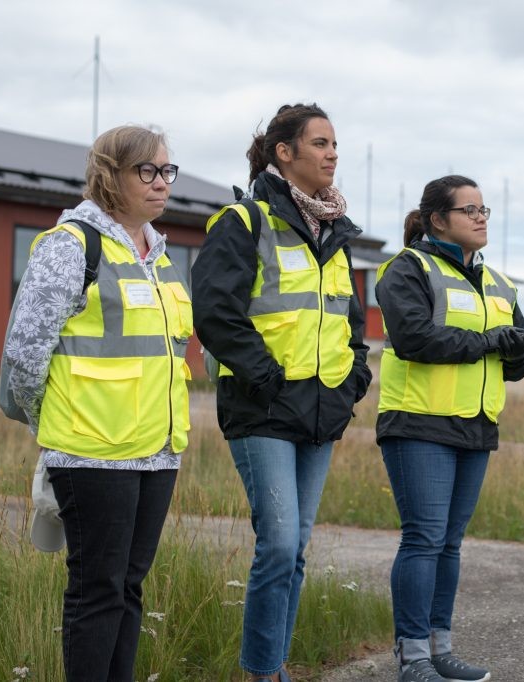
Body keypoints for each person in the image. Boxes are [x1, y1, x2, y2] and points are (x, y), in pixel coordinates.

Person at [2, 125, 191, 682]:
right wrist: (55, 418)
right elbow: (25, 353)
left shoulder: (157, 255)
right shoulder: (71, 246)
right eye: (147, 171)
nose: (161, 183)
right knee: (98, 590)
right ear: (111, 175)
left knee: (129, 588)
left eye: (166, 171)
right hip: (91, 452)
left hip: (156, 452)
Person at [191, 103, 371, 682]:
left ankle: (275, 667)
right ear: (284, 154)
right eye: (320, 143)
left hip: (321, 413)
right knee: (279, 542)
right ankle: (263, 673)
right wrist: (265, 378)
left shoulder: (336, 233)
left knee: (294, 549)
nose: (333, 154)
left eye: (335, 144)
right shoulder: (244, 221)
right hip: (262, 408)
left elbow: (351, 321)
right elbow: (217, 313)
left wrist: (353, 381)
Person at [375, 175, 524, 682]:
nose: (481, 217)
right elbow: (416, 338)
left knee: (449, 543)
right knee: (423, 539)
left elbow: (518, 359)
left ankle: (441, 648)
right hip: (418, 423)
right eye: (469, 210)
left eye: (484, 209)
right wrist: (492, 341)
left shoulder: (499, 283)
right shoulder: (407, 269)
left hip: (477, 427)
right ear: (438, 220)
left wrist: (515, 348)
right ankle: (413, 658)